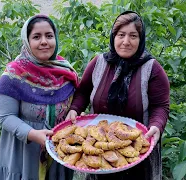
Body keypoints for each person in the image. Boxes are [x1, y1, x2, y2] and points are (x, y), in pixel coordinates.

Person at [66, 11, 170, 180]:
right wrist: (75, 109)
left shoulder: (152, 69)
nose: (126, 42)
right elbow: (83, 91)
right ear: (113, 37)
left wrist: (156, 126)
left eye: (133, 36)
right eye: (121, 35)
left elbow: (160, 106)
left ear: (141, 39)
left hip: (136, 154)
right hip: (100, 151)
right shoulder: (99, 63)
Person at [0, 15, 78, 180]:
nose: (44, 41)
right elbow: (4, 116)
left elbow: (76, 100)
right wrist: (33, 134)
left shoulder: (66, 71)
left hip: (59, 152)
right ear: (27, 41)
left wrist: (74, 111)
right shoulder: (14, 74)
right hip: (24, 153)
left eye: (49, 35)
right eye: (36, 37)